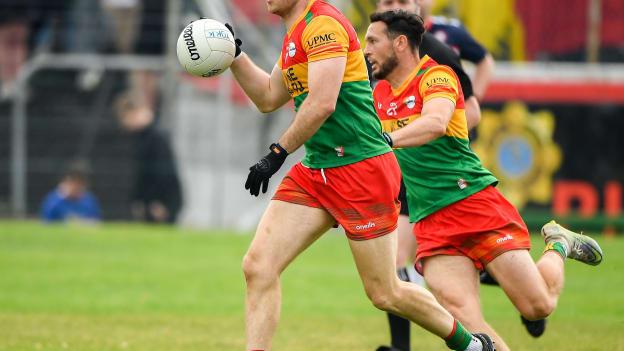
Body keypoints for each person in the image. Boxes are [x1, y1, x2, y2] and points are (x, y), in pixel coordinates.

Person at [225, 1, 494, 350]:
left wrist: (277, 152)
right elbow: (267, 97)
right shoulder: (296, 31)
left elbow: (323, 102)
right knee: (258, 266)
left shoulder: (323, 24)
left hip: (360, 169)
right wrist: (234, 57)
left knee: (385, 292)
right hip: (318, 168)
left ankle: (471, 344)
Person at [365, 10, 603, 351]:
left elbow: (434, 123)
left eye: (373, 41)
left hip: (475, 205)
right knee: (466, 324)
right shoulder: (379, 95)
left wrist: (387, 139)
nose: (367, 49)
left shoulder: (437, 76)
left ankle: (559, 244)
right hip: (431, 222)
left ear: (400, 43)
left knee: (538, 306)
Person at [370, 1, 485, 350]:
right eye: (387, 2)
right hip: (402, 170)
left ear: (418, 5)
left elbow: (471, 112)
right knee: (397, 266)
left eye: (401, 1)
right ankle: (401, 346)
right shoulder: (373, 55)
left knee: (413, 265)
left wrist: (426, 135)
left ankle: (502, 276)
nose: (394, 7)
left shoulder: (436, 53)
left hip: (437, 175)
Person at [115, 92, 183, 224]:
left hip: (160, 202)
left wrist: (160, 202)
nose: (124, 123)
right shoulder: (144, 136)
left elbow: (163, 172)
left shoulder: (154, 138)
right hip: (152, 201)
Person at [419, 0, 495, 102]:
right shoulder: (393, 34)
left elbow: (485, 60)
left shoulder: (450, 30)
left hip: (446, 102)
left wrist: (473, 97)